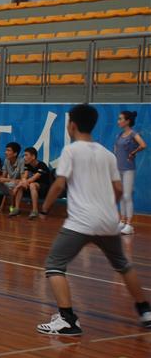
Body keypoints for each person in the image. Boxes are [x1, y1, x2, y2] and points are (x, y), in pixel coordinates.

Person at [37, 104, 151, 335]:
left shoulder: (71, 151)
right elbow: (118, 189)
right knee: (123, 265)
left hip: (81, 222)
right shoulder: (107, 154)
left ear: (72, 125)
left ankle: (68, 320)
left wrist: (44, 210)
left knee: (54, 266)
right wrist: (107, 208)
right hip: (108, 221)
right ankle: (145, 312)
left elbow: (59, 184)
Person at [114, 110, 146, 235]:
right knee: (122, 195)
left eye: (120, 119)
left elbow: (143, 145)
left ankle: (129, 224)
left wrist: (133, 153)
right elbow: (116, 150)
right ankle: (122, 221)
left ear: (127, 121)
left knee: (127, 196)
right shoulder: (119, 135)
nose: (118, 121)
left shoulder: (133, 134)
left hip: (128, 169)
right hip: (118, 168)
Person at [11, 147, 52, 219]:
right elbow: (24, 177)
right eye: (24, 155)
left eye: (26, 155)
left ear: (33, 156)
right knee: (22, 185)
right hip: (31, 188)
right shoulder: (27, 165)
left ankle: (35, 210)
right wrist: (22, 182)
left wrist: (16, 187)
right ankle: (17, 209)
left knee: (32, 185)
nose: (24, 157)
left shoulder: (42, 165)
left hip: (45, 189)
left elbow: (33, 179)